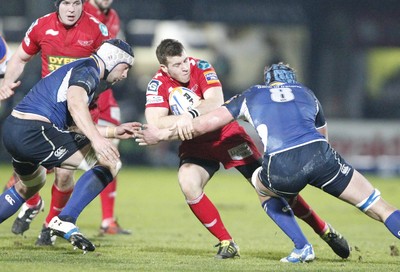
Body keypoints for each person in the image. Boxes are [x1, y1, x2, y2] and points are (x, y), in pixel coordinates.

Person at [137, 62, 400, 261]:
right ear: (291, 80)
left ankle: (302, 247)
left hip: (282, 162)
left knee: (261, 186)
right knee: (377, 204)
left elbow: (205, 124)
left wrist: (161, 134)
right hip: (321, 155)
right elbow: (323, 137)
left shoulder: (251, 95)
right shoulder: (307, 93)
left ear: (268, 81)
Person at [0, 0, 129, 246]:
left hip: (59, 114)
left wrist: (110, 125)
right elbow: (19, 58)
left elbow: (108, 71)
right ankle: (60, 218)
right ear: (57, 5)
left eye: (76, 3)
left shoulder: (97, 30)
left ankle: (48, 226)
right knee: (106, 162)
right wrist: (6, 83)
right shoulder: (41, 26)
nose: (71, 9)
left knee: (60, 175)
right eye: (66, 3)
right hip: (50, 113)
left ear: (83, 4)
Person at [83, 0, 131, 235]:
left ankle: (108, 220)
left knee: (112, 154)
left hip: (106, 96)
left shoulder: (113, 16)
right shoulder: (78, 11)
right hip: (82, 91)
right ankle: (32, 204)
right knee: (52, 163)